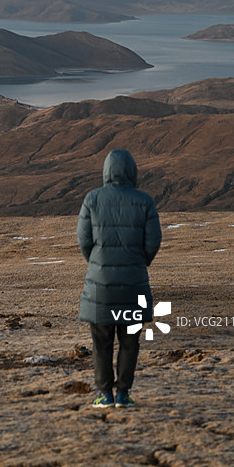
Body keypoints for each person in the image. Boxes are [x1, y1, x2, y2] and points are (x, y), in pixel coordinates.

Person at [77, 148, 162, 407]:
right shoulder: (144, 201)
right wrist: (139, 262)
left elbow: (84, 240)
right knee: (129, 342)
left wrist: (98, 263)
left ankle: (105, 394)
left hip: (100, 288)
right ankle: (123, 394)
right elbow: (153, 241)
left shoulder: (92, 199)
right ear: (132, 171)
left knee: (101, 343)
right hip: (133, 285)